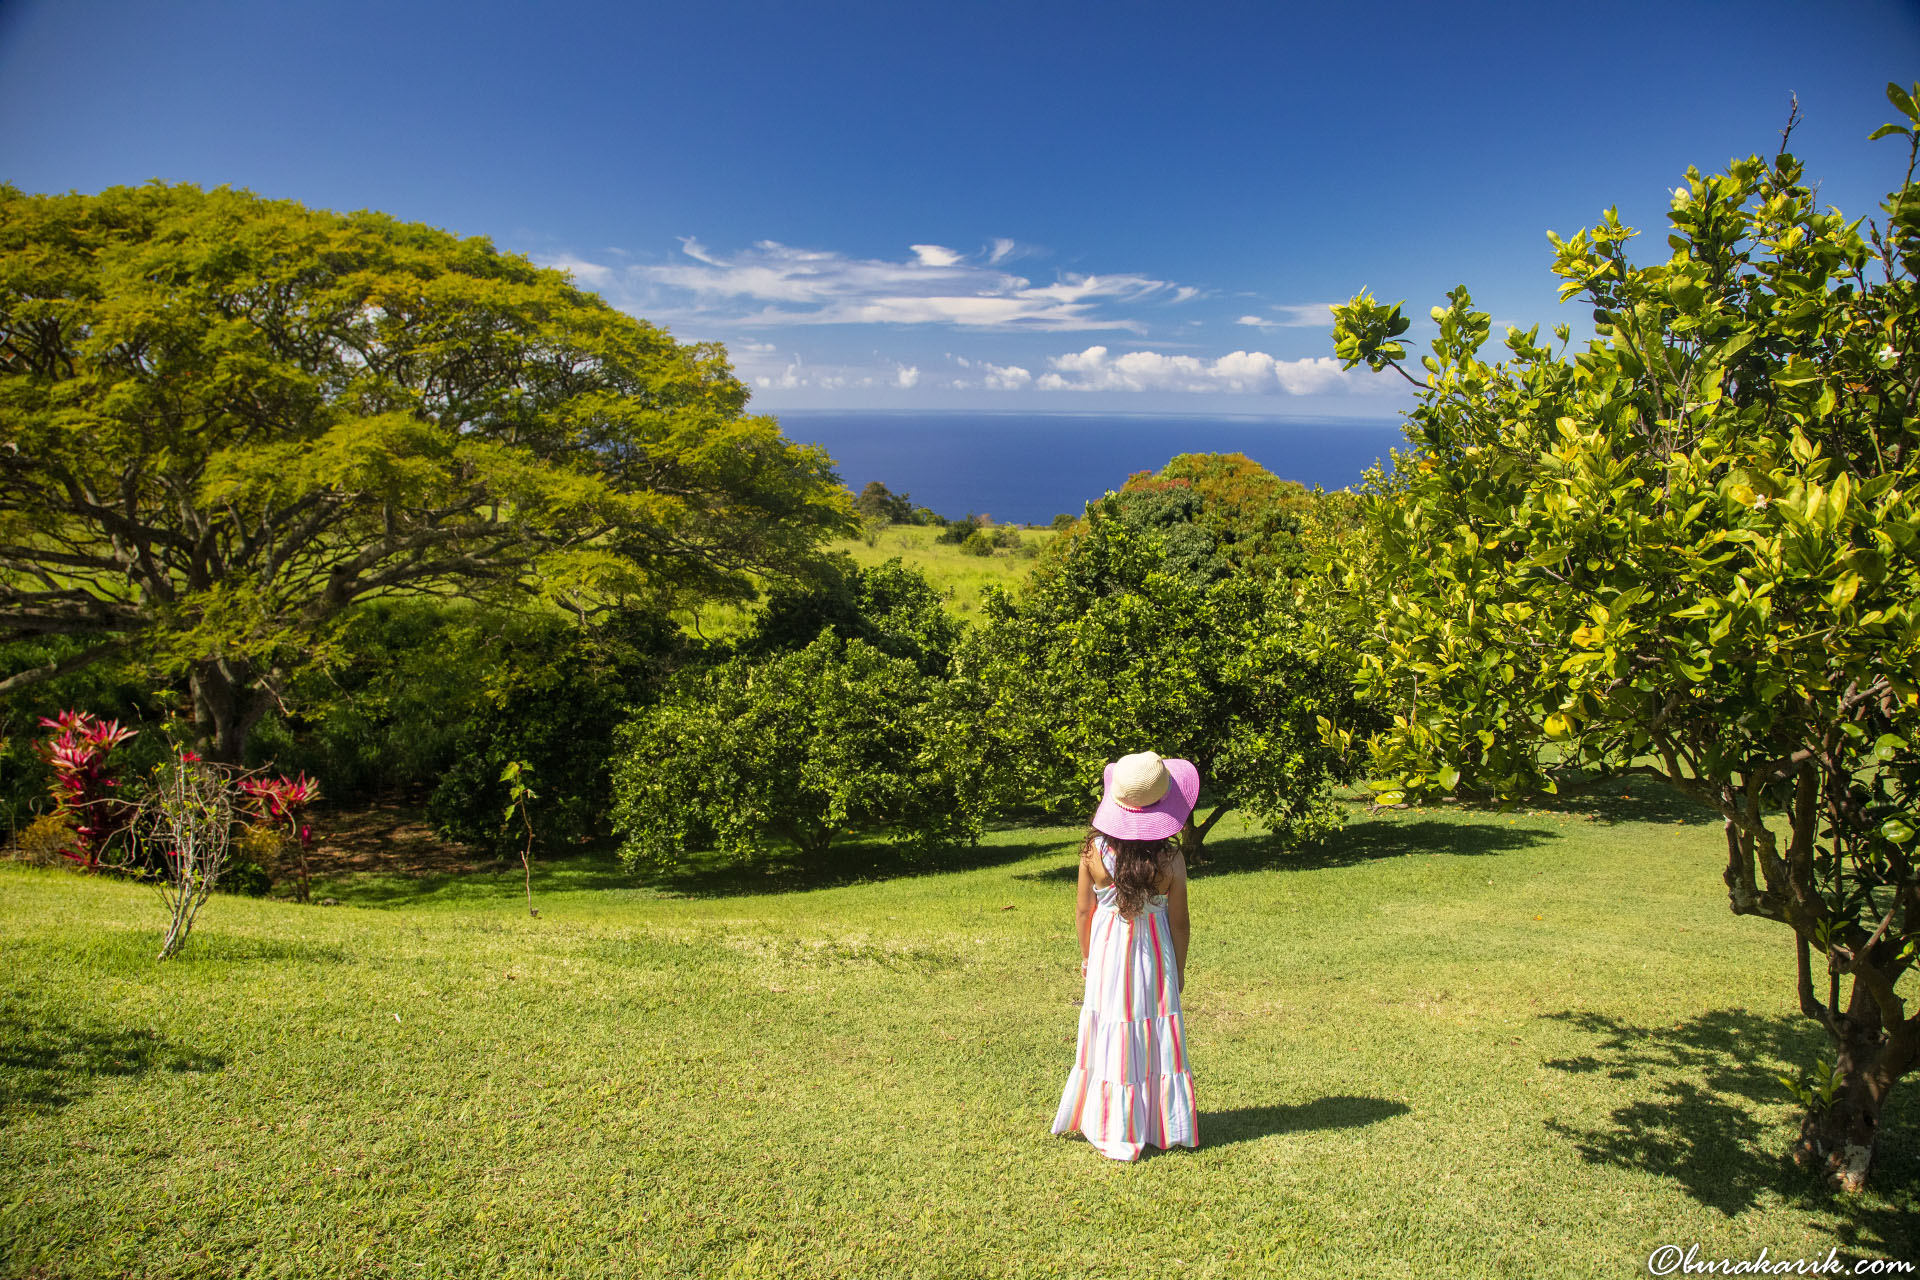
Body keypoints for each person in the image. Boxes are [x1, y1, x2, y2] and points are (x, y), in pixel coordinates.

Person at [1051, 750, 1198, 1160]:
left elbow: (1085, 911)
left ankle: (1111, 1123)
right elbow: (1180, 922)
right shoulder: (1170, 859)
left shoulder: (1094, 853)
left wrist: (1086, 957)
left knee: (1111, 1027)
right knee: (1150, 1032)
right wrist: (1179, 970)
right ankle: (1158, 1123)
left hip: (1107, 956)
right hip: (1153, 958)